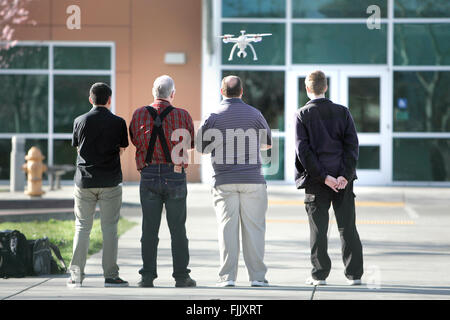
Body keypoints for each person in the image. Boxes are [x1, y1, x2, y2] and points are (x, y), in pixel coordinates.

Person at [197, 75, 272, 287]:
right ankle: (257, 277)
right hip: (252, 179)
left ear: (222, 92)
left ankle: (227, 277)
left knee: (226, 229)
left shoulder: (212, 116)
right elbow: (267, 145)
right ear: (241, 92)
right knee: (255, 229)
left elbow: (201, 149)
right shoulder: (255, 114)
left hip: (224, 180)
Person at [295, 70, 364, 286]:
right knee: (348, 227)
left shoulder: (302, 114)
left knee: (318, 230)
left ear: (308, 88)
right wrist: (344, 175)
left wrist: (324, 177)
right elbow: (352, 146)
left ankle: (319, 274)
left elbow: (303, 152)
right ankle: (354, 275)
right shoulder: (343, 112)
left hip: (317, 182)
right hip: (343, 181)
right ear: (325, 87)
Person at [129, 75, 196, 288]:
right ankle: (181, 277)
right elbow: (191, 143)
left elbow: (133, 139)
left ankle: (147, 276)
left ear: (153, 92)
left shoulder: (139, 114)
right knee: (178, 230)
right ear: (172, 94)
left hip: (148, 175)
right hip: (175, 175)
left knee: (149, 229)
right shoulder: (183, 115)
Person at [68, 82, 129, 288]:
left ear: (90, 99)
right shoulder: (118, 122)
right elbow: (122, 149)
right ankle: (111, 275)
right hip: (110, 182)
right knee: (110, 228)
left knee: (82, 227)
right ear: (109, 99)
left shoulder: (79, 120)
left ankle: (76, 275)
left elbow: (78, 149)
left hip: (84, 181)